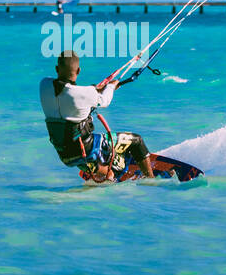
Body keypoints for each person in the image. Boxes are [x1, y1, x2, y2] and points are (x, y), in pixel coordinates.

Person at [39, 50, 158, 181]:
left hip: (65, 155)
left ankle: (106, 172)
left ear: (56, 68)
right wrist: (111, 86)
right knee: (137, 140)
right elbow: (104, 100)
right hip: (87, 150)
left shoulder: (44, 85)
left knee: (107, 169)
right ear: (78, 71)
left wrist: (94, 89)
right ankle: (150, 180)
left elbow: (70, 92)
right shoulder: (85, 94)